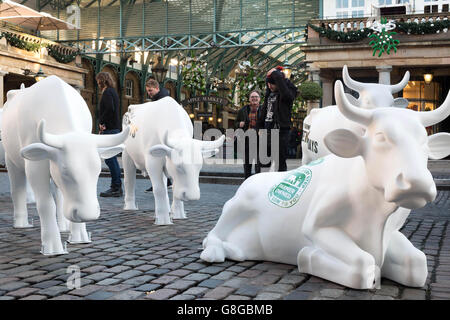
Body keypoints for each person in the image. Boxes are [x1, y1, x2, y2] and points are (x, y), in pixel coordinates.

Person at [257, 66, 298, 171]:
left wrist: (276, 74)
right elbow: (264, 112)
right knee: (262, 162)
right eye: (268, 83)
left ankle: (279, 183)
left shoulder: (286, 96)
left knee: (280, 162)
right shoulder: (269, 94)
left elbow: (286, 91)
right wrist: (260, 128)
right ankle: (263, 184)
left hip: (281, 132)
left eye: (272, 83)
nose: (269, 86)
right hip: (267, 132)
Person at [97, 72, 123, 197]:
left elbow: (109, 109)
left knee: (110, 159)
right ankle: (116, 186)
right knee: (110, 159)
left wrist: (102, 123)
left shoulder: (107, 92)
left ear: (102, 80)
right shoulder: (113, 92)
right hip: (113, 128)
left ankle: (116, 187)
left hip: (110, 129)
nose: (97, 84)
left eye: (98, 81)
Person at [144, 78, 172, 193]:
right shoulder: (160, 98)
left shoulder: (161, 100)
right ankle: (165, 182)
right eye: (147, 91)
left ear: (157, 88)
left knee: (156, 158)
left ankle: (161, 183)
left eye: (150, 90)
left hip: (160, 133)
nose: (149, 93)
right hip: (161, 133)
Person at [235, 90, 262, 179]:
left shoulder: (264, 110)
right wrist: (239, 124)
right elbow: (235, 123)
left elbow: (269, 123)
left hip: (260, 140)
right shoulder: (243, 110)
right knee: (247, 163)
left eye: (256, 97)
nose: (254, 98)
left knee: (259, 163)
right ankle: (247, 181)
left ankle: (258, 182)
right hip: (246, 139)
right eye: (252, 97)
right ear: (249, 99)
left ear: (260, 99)